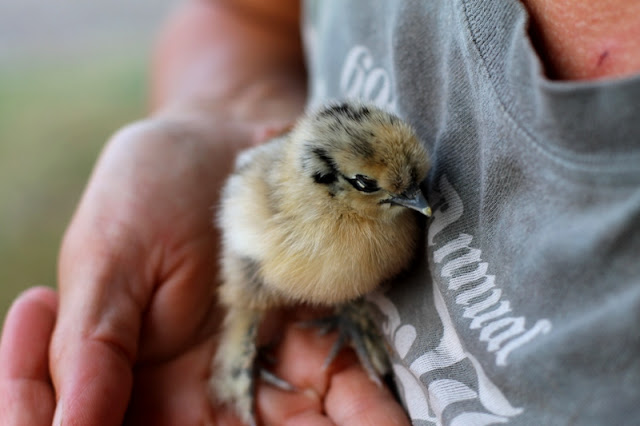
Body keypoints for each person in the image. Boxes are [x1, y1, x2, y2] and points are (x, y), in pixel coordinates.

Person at [1, 0, 639, 424]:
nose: (420, 200)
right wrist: (218, 111)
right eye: (385, 188)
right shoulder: (301, 214)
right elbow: (246, 15)